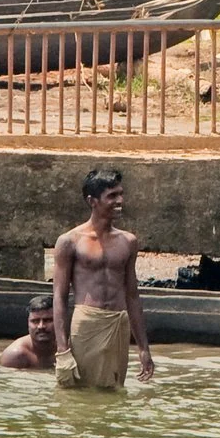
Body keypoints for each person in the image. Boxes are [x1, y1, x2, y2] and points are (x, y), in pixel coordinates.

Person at [51, 165, 156, 390]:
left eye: (121, 194)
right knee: (80, 391)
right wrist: (62, 350)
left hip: (119, 322)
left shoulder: (128, 241)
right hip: (87, 323)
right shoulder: (70, 241)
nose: (120, 201)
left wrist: (143, 348)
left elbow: (132, 295)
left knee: (114, 390)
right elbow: (59, 297)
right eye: (112, 196)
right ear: (92, 201)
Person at [0, 295, 59, 372]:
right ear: (28, 323)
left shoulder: (71, 347)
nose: (41, 326)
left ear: (59, 320)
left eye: (47, 320)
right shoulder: (15, 356)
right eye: (35, 321)